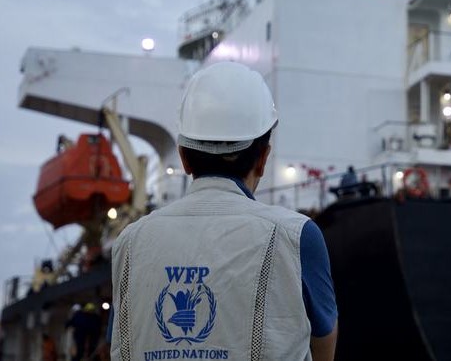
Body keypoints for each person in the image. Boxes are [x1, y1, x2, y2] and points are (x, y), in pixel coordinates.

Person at [110, 62, 337, 360]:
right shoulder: (297, 237)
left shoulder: (129, 242)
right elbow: (324, 344)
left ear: (184, 159)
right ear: (263, 159)